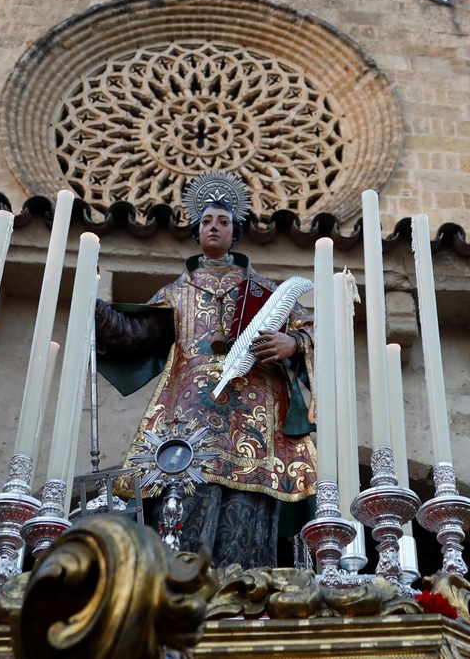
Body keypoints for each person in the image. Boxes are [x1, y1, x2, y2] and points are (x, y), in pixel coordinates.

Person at [96, 171, 315, 568]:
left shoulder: (266, 293)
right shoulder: (177, 292)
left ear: (236, 233)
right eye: (207, 222)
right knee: (184, 494)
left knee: (248, 502)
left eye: (224, 222)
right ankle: (179, 581)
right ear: (196, 233)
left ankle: (242, 586)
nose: (214, 228)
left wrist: (294, 344)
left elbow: (312, 333)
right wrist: (92, 308)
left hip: (255, 419)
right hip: (189, 414)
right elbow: (135, 334)